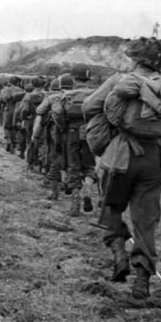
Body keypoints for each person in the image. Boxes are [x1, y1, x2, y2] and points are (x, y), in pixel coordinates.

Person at [82, 37, 161, 299]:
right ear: (159, 63)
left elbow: (89, 106)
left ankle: (119, 255)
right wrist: (159, 139)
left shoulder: (119, 82)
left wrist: (113, 126)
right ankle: (142, 281)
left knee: (111, 206)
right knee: (145, 221)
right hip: (153, 161)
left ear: (134, 59)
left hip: (119, 156)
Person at [60, 64, 97, 216]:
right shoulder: (96, 94)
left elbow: (58, 114)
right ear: (88, 78)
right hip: (90, 132)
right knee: (89, 163)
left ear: (74, 78)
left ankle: (75, 201)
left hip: (72, 132)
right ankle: (87, 188)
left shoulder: (67, 95)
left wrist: (63, 128)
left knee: (73, 165)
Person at [32, 76, 65, 199]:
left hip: (54, 131)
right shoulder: (74, 96)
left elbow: (39, 111)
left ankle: (52, 185)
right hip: (77, 133)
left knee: (53, 155)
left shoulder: (52, 97)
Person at [0, 77, 24, 153]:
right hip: (18, 109)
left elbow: (1, 100)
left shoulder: (6, 90)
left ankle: (9, 141)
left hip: (9, 108)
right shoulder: (21, 90)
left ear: (10, 82)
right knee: (16, 126)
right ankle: (15, 143)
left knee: (6, 126)